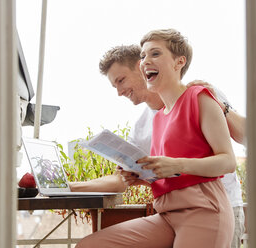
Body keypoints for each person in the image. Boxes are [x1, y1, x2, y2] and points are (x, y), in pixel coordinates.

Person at [76, 28, 239, 248]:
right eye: (143, 56)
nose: (145, 61)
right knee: (92, 245)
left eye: (155, 54)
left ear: (179, 62)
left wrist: (175, 165)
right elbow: (169, 173)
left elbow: (228, 161)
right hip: (168, 213)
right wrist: (144, 178)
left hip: (204, 209)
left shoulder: (199, 96)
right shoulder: (158, 118)